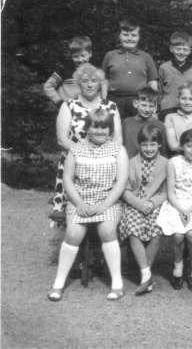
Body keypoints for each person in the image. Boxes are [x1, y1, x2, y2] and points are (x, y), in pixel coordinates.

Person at [47, 108, 128, 301]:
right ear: (87, 128)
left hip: (108, 200)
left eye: (104, 128)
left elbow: (121, 182)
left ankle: (117, 284)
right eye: (94, 127)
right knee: (73, 234)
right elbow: (67, 180)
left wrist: (103, 205)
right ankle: (58, 284)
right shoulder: (76, 148)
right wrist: (79, 203)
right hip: (80, 199)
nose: (99, 132)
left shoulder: (118, 149)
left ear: (110, 129)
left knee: (107, 231)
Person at [50, 64, 123, 224]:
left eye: (94, 81)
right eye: (85, 81)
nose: (90, 84)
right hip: (74, 163)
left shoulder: (110, 106)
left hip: (105, 165)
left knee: (104, 216)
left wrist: (101, 156)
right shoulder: (68, 105)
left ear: (100, 83)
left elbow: (117, 140)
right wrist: (85, 154)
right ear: (78, 83)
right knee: (75, 217)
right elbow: (62, 139)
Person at [156, 129, 192, 291]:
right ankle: (178, 267)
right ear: (182, 147)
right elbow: (171, 191)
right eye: (189, 145)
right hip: (176, 203)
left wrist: (190, 210)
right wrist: (180, 209)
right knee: (179, 236)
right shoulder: (173, 162)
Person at [118, 124, 168, 295]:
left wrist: (152, 203)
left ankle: (145, 275)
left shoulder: (166, 164)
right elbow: (125, 190)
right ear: (139, 145)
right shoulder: (131, 162)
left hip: (155, 205)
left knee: (156, 231)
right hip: (134, 203)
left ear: (159, 145)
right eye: (145, 145)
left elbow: (166, 192)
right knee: (132, 229)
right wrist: (139, 204)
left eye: (152, 144)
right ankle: (146, 274)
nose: (148, 149)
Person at [102, 18, 158, 118]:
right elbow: (104, 81)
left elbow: (152, 82)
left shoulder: (146, 57)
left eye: (134, 35)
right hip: (114, 100)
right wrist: (103, 100)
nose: (129, 38)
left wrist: (153, 103)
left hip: (139, 101)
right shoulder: (110, 55)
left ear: (139, 37)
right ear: (119, 36)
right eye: (125, 35)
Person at [43, 36, 107, 107]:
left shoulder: (96, 71)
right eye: (76, 57)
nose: (80, 59)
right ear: (71, 56)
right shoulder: (64, 70)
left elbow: (101, 89)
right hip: (68, 110)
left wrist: (100, 104)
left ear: (90, 54)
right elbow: (48, 86)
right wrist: (59, 102)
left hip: (89, 111)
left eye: (83, 55)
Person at [158, 31, 192, 121]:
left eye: (185, 49)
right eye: (178, 49)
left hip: (188, 109)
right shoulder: (164, 68)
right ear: (171, 49)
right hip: (167, 109)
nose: (181, 52)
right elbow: (159, 91)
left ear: (190, 51)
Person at [121, 87, 167, 158]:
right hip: (129, 165)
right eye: (144, 105)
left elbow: (163, 152)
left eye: (151, 106)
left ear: (155, 107)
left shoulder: (160, 125)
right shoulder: (127, 123)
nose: (147, 109)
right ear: (135, 104)